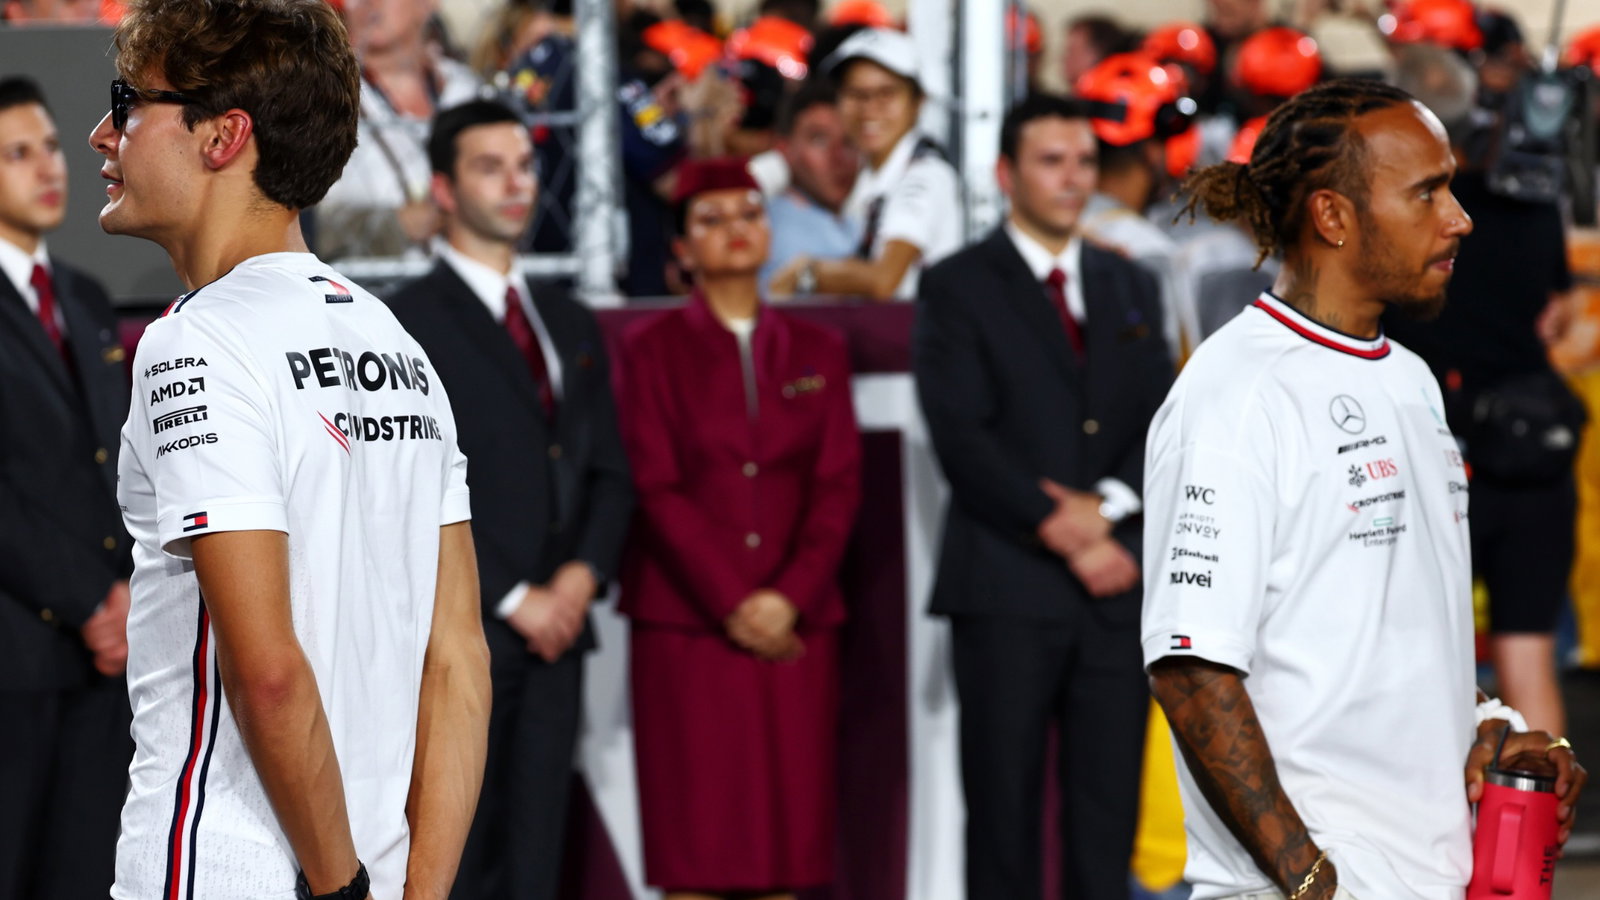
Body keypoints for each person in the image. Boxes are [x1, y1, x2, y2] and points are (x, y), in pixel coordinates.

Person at [1145, 78, 1587, 900]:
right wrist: (1311, 882)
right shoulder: (1234, 396)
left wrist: (1494, 729)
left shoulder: (1412, 381)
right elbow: (1191, 669)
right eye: (1426, 192)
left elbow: (1389, 639)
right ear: (1333, 216)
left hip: (1436, 876)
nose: (1459, 217)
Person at [91, 1, 490, 898]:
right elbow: (459, 661)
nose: (99, 134)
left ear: (223, 136)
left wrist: (333, 882)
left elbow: (266, 674)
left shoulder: (191, 344)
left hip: (225, 869)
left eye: (127, 103)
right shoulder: (398, 343)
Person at [914, 94, 1173, 899]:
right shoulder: (956, 285)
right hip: (1004, 588)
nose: (1071, 178)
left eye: (1084, 162)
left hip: (1113, 594)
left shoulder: (1130, 282)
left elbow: (1161, 420)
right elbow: (961, 431)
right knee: (1002, 816)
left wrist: (1111, 510)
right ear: (1006, 173)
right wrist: (1061, 524)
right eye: (1051, 161)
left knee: (1106, 817)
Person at [386, 98, 634, 900]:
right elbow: (406, 490)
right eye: (490, 168)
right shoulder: (406, 323)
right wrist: (516, 593)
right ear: (445, 190)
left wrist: (578, 580)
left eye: (525, 165)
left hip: (560, 633)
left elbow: (607, 468)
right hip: (462, 635)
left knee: (539, 858)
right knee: (458, 856)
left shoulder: (566, 318)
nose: (517, 183)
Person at [615, 158, 861, 899]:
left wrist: (787, 598)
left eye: (750, 213)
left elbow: (837, 485)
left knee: (788, 840)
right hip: (688, 627)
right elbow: (656, 486)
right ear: (682, 248)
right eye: (711, 219)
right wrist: (736, 601)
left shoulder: (820, 353)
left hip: (798, 624)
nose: (736, 231)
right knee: (697, 840)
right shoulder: (649, 349)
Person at [1386, 46, 1576, 738]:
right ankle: (1530, 846)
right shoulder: (1530, 199)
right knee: (1528, 663)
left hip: (1434, 455)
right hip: (1529, 447)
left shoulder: (1401, 221)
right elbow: (1555, 316)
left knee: (1415, 663)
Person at [0, 75, 133, 900]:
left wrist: (122, 600)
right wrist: (87, 600)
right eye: (17, 153)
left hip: (105, 664)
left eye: (50, 145)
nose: (50, 166)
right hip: (16, 660)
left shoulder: (83, 297)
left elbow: (110, 464)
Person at [768, 27, 960, 300]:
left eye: (887, 94)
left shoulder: (923, 176)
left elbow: (883, 280)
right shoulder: (872, 173)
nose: (869, 109)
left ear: (918, 102)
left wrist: (808, 273)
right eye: (856, 94)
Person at [316, 0, 483, 260]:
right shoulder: (320, 94)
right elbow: (301, 218)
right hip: (361, 285)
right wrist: (396, 225)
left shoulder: (468, 91)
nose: (367, 3)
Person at [759, 79, 860, 294]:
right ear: (783, 149)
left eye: (849, 141)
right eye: (819, 140)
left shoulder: (857, 222)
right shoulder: (767, 235)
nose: (838, 157)